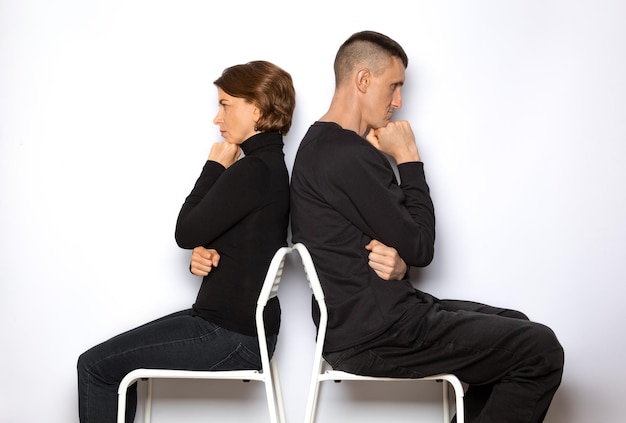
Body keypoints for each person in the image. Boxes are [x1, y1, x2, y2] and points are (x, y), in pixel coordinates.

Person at [290, 30, 564, 422]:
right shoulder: (348, 155)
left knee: (516, 327)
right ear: (363, 80)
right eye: (394, 86)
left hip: (368, 321)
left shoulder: (320, 147)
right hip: (379, 333)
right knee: (540, 349)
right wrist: (408, 159)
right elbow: (421, 247)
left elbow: (395, 248)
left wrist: (401, 263)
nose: (398, 102)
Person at [77, 60, 295, 423]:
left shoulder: (252, 169)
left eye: (225, 104)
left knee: (96, 367)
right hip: (240, 329)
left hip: (230, 334)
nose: (217, 118)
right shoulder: (271, 168)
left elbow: (185, 231)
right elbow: (225, 240)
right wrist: (206, 252)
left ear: (256, 108)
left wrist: (213, 166)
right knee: (112, 366)